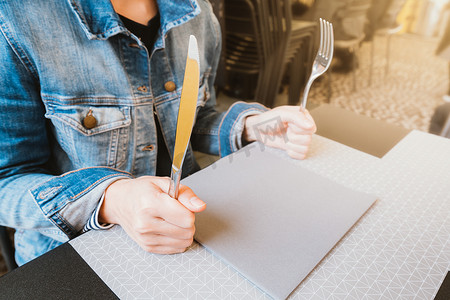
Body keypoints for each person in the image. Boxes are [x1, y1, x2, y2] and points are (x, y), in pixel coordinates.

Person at [0, 0, 316, 266]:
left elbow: (194, 120)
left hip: (191, 231)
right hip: (75, 256)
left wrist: (251, 128)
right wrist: (113, 199)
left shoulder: (197, 11)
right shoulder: (17, 18)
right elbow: (7, 180)